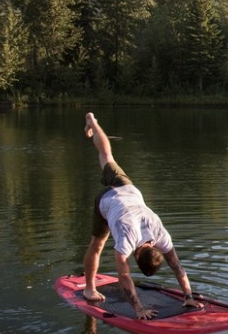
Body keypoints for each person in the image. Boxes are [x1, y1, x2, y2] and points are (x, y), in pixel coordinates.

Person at [80, 112, 203, 319]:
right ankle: (89, 288)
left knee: (107, 156)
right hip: (107, 202)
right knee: (97, 244)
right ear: (138, 256)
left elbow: (176, 267)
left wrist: (188, 296)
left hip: (128, 190)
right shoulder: (127, 243)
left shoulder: (161, 236)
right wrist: (139, 310)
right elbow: (124, 276)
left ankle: (93, 122)